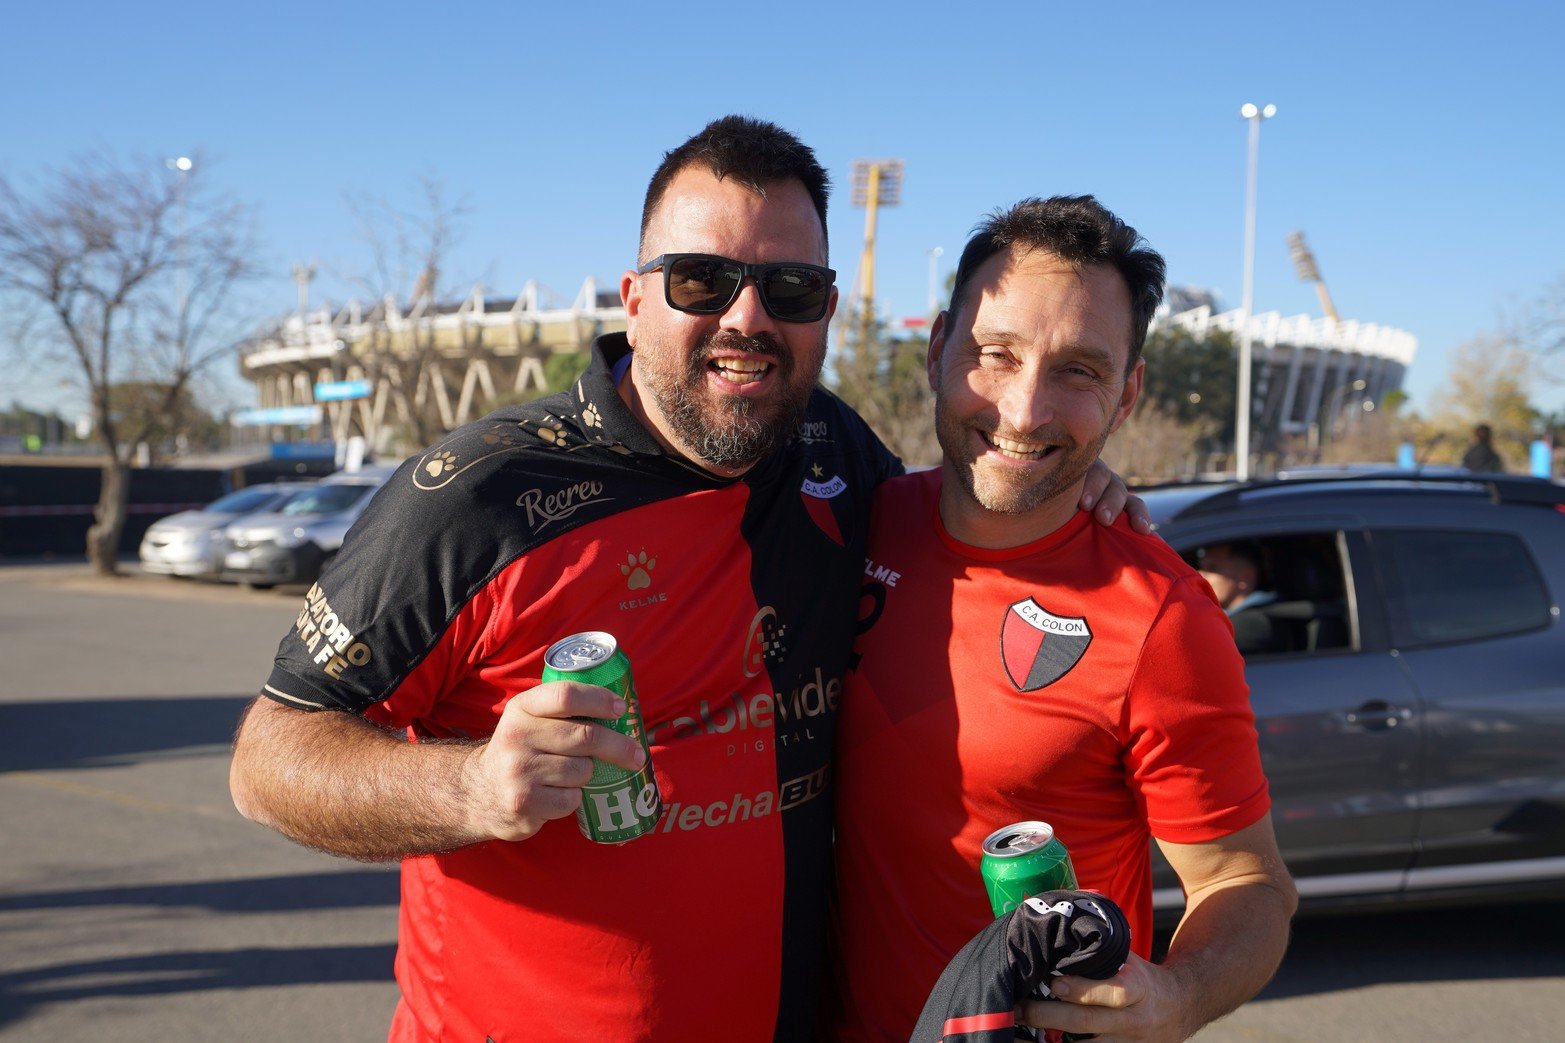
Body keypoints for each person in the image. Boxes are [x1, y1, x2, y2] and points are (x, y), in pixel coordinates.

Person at [228, 118, 1141, 1042]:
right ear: (633, 298)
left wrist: (1059, 474)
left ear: (824, 309)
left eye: (790, 288)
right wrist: (468, 788)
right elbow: (269, 760)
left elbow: (964, 508)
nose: (747, 319)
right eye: (701, 279)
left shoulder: (830, 449)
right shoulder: (479, 499)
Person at [828, 196, 1297, 1042]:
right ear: (937, 349)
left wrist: (1180, 994)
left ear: (1126, 396)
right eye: (993, 354)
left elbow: (1248, 886)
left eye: (1078, 370)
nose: (1024, 409)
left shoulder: (1161, 619)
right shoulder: (854, 520)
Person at [1195, 540, 1288, 655]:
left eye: (1212, 568)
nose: (1199, 576)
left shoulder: (1250, 624)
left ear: (1245, 576)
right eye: (1200, 567)